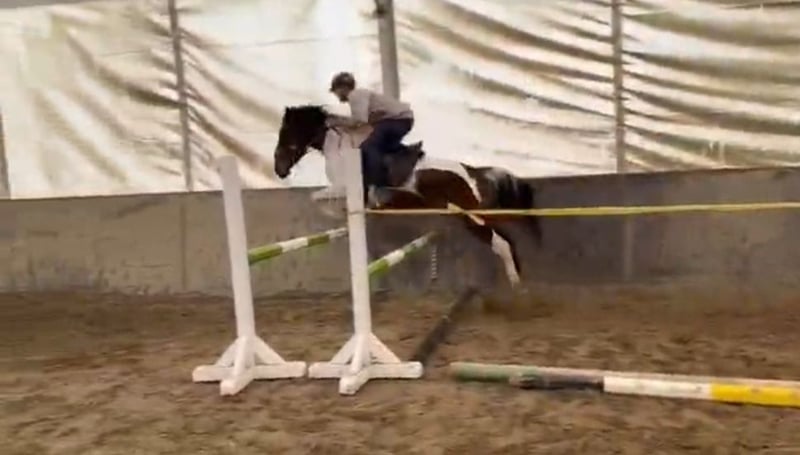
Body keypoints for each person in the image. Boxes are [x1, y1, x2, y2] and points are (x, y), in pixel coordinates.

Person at [327, 72, 414, 204]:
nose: (336, 95)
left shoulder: (355, 95)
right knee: (375, 144)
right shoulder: (360, 96)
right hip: (399, 120)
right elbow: (363, 121)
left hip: (398, 120)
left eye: (336, 91)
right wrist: (341, 121)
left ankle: (380, 186)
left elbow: (359, 121)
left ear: (343, 88)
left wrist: (336, 122)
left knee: (368, 147)